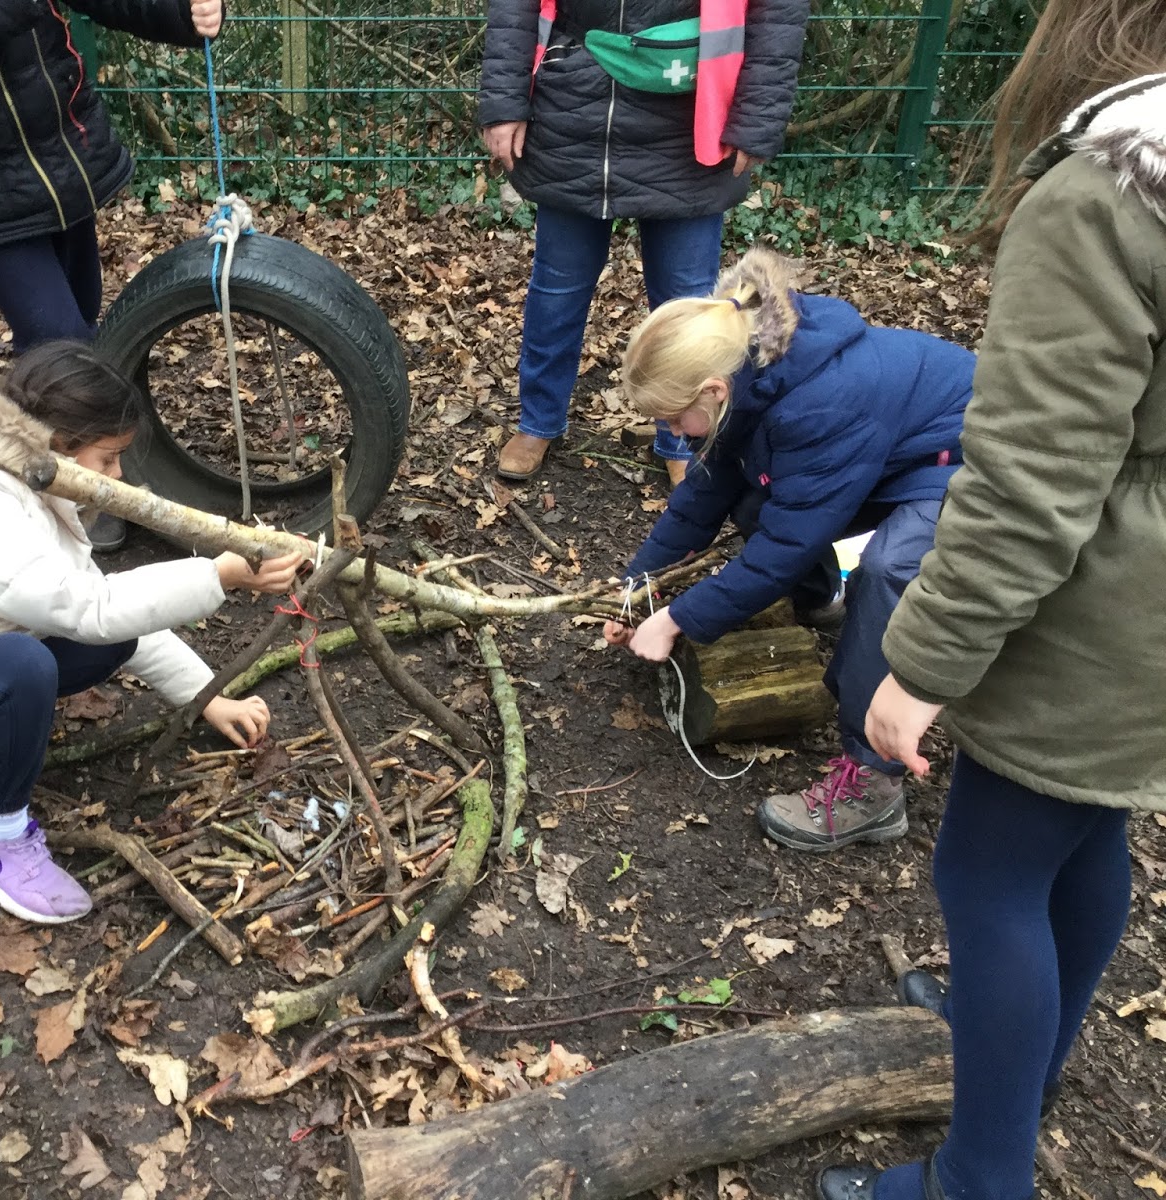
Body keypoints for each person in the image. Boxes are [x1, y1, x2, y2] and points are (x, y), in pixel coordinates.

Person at [818, 4, 1166, 1197]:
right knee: (1085, 828)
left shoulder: (1112, 191)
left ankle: (976, 1178)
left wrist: (917, 668)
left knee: (986, 875)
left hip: (1112, 604)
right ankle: (1028, 1063)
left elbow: (1030, 480)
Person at [0, 340, 304, 924]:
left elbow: (104, 613)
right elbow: (91, 607)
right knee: (21, 666)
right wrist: (221, 575)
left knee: (94, 643)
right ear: (60, 443)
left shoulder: (13, 477)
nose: (117, 475)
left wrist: (208, 697)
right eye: (108, 459)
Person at [605, 247, 975, 853]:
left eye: (673, 419)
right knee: (758, 502)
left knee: (889, 571)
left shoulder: (819, 403)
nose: (671, 433)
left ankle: (873, 783)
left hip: (967, 460)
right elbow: (703, 497)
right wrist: (637, 586)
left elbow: (784, 546)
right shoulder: (749, 374)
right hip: (889, 451)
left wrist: (677, 619)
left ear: (712, 391)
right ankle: (820, 602)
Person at [0, 0, 223, 551]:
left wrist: (179, 12)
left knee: (80, 326)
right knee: (59, 339)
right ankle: (75, 501)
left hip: (59, 157)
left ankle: (91, 474)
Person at [479, 0, 810, 486]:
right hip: (572, 109)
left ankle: (683, 440)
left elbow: (778, 11)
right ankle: (538, 422)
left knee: (688, 300)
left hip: (689, 119)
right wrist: (505, 100)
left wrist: (758, 115)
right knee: (557, 291)